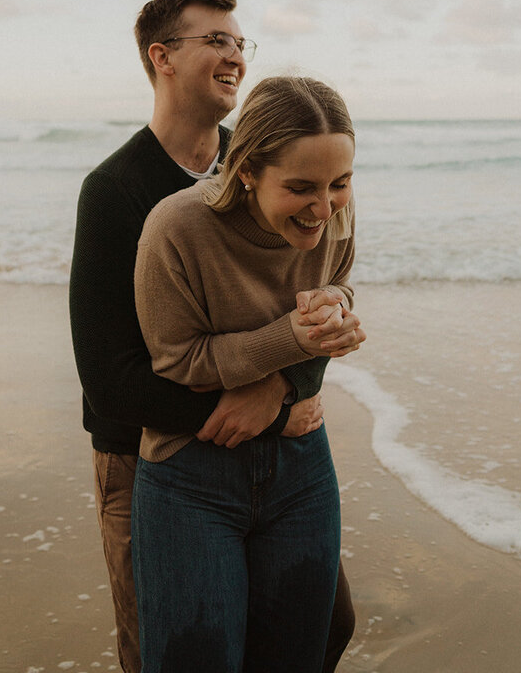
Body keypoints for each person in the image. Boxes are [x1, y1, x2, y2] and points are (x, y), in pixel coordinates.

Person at [69, 0, 361, 673]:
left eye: (240, 42)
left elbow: (316, 296)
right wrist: (258, 406)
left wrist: (284, 388)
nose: (236, 54)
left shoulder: (278, 165)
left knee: (323, 627)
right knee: (168, 652)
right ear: (162, 56)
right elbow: (110, 380)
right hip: (147, 450)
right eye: (216, 41)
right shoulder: (118, 190)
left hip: (270, 449)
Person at [132, 75, 361, 673]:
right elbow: (178, 362)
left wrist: (325, 328)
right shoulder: (176, 227)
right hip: (191, 476)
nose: (324, 208)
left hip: (302, 465)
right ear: (247, 170)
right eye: (301, 187)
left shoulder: (335, 213)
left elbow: (333, 289)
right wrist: (294, 339)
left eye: (340, 183)